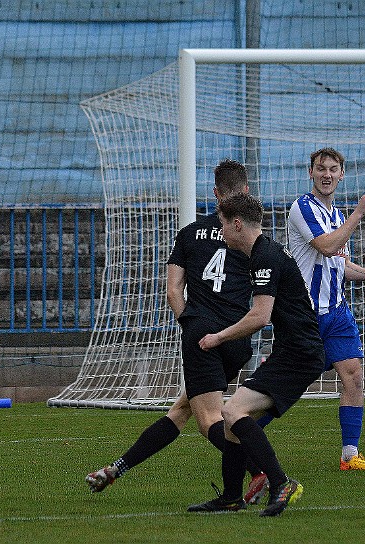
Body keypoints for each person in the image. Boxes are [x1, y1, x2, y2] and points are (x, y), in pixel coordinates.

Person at [85, 159, 268, 504]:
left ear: (215, 193)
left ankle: (265, 472)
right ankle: (115, 470)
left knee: (209, 419)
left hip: (203, 336)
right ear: (245, 191)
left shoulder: (189, 233)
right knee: (182, 409)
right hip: (238, 337)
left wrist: (192, 326)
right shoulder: (255, 239)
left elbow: (173, 291)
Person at [187, 193, 325, 517]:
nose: (220, 230)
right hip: (293, 351)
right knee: (231, 418)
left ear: (237, 224)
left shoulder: (264, 255)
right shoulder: (261, 253)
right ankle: (232, 497)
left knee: (233, 412)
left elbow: (261, 316)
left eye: (222, 223)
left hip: (299, 355)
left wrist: (217, 337)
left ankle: (281, 483)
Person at [285, 147, 365, 470]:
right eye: (321, 168)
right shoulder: (302, 208)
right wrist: (360, 212)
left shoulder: (336, 217)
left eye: (333, 169)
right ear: (311, 173)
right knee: (283, 388)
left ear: (341, 174)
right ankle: (239, 435)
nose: (327, 174)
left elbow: (340, 264)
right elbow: (326, 246)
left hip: (337, 312)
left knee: (354, 376)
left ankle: (350, 455)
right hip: (306, 315)